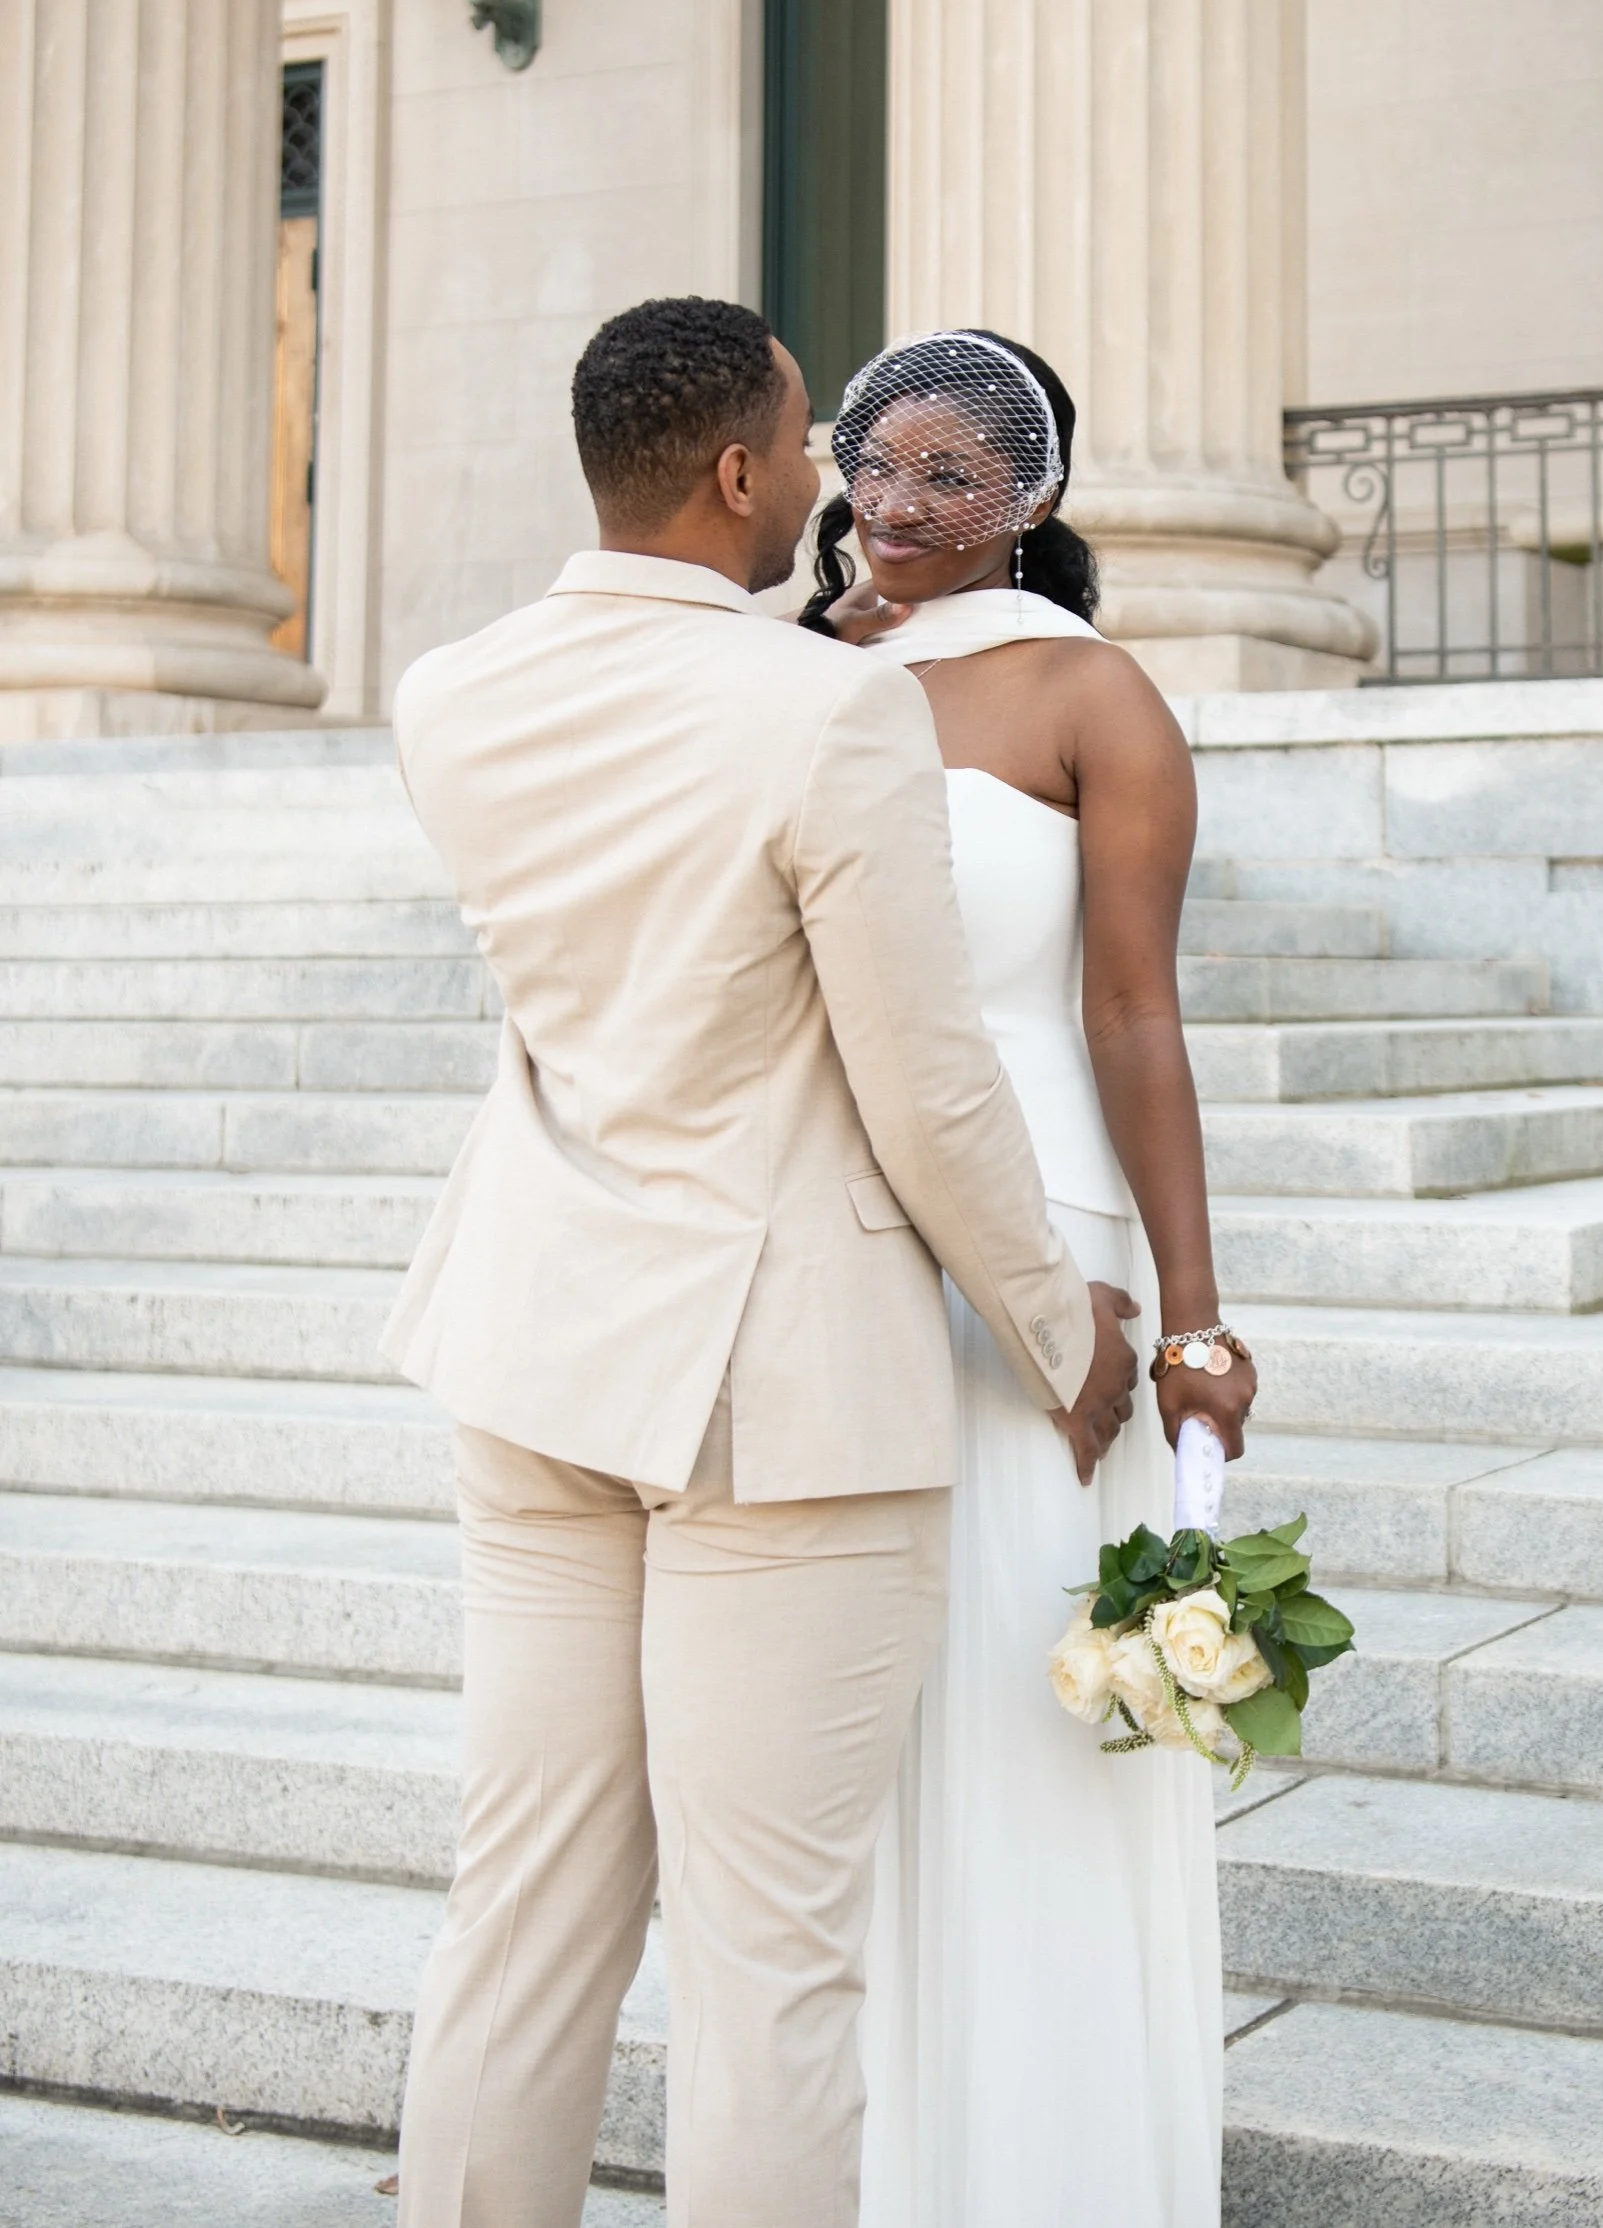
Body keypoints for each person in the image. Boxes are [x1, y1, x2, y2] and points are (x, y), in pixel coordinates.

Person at [378, 297, 1143, 2228]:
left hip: (534, 1342)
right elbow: (926, 1085)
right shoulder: (827, 708)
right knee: (769, 1965)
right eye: (811, 445)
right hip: (775, 1397)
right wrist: (1066, 1330)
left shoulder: (447, 692)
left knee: (522, 1914)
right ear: (737, 474)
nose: (824, 482)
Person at [800, 327, 1256, 2228]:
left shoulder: (1092, 695)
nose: (890, 508)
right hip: (832, 1238)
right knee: (864, 1716)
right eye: (866, 464)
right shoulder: (782, 668)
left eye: (942, 478)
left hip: (1038, 1257)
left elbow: (1136, 1016)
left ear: (1032, 503)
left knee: (1024, 1701)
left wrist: (1196, 1312)